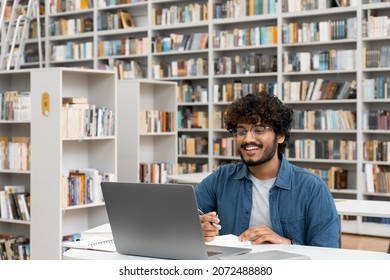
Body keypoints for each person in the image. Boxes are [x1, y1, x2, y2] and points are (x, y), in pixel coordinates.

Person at [195, 92, 340, 248]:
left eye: (259, 130)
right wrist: (197, 227)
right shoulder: (221, 178)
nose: (248, 139)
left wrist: (285, 244)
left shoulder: (312, 187)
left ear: (280, 136)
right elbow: (184, 216)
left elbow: (328, 251)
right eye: (241, 131)